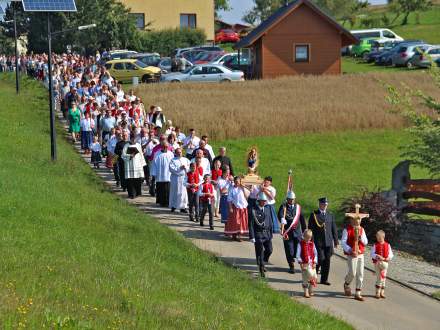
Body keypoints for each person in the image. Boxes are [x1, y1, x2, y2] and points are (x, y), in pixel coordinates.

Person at [308, 197, 338, 285]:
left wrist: (336, 240)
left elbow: (334, 228)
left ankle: (324, 279)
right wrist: (311, 240)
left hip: (328, 241)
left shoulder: (330, 215)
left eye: (326, 205)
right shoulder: (314, 214)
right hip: (318, 241)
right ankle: (313, 276)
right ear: (320, 205)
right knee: (320, 259)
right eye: (323, 204)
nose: (325, 206)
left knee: (327, 261)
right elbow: (310, 228)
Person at [342, 212, 368, 302]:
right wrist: (350, 250)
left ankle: (358, 292)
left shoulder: (362, 229)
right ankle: (346, 283)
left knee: (360, 273)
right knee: (352, 272)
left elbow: (365, 242)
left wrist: (361, 238)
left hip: (360, 254)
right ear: (351, 220)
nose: (358, 221)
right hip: (352, 254)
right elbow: (343, 242)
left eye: (359, 220)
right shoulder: (347, 230)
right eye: (356, 220)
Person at [278, 191, 306, 274]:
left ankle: (303, 265)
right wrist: (281, 219)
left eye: (293, 199)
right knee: (289, 250)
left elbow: (302, 219)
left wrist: (305, 231)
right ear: (287, 199)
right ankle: (291, 266)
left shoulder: (298, 208)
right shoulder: (283, 207)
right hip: (288, 232)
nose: (291, 201)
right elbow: (280, 215)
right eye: (290, 199)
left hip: (297, 233)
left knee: (299, 249)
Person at [249, 192, 274, 277]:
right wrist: (252, 236)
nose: (264, 202)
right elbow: (251, 224)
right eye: (262, 201)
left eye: (265, 201)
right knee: (259, 252)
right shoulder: (253, 210)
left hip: (267, 233)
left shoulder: (267, 209)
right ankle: (261, 268)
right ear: (258, 201)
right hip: (258, 234)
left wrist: (271, 233)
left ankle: (262, 261)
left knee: (269, 250)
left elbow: (270, 221)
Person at [225, 176, 250, 241]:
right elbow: (229, 199)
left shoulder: (242, 188)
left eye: (238, 182)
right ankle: (234, 235)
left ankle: (239, 235)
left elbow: (246, 196)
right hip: (235, 207)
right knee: (235, 222)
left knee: (241, 222)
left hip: (243, 207)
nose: (237, 183)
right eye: (236, 182)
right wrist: (230, 208)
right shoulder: (232, 189)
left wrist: (243, 187)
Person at [371, 230, 394, 299]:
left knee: (383, 277)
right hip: (377, 263)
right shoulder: (375, 245)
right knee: (379, 277)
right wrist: (377, 256)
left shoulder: (388, 245)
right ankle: (377, 292)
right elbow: (372, 254)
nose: (378, 239)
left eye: (379, 238)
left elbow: (391, 254)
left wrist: (388, 258)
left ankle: (382, 291)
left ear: (383, 237)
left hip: (385, 264)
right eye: (377, 238)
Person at [296, 229, 318, 298]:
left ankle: (310, 290)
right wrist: (301, 263)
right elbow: (298, 255)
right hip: (304, 264)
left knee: (314, 276)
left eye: (310, 237)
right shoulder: (300, 244)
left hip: (311, 263)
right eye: (307, 237)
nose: (309, 239)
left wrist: (314, 262)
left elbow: (315, 253)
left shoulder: (312, 244)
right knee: (305, 277)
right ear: (304, 236)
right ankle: (306, 292)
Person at [152, 142, 174, 207]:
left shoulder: (171, 154)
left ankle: (167, 202)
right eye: (164, 146)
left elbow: (173, 163)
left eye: (166, 147)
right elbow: (154, 164)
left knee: (168, 189)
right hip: (160, 174)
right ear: (161, 146)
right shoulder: (157, 154)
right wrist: (154, 173)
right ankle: (161, 202)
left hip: (168, 174)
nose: (165, 148)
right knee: (160, 189)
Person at [169, 148, 190, 213]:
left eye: (180, 152)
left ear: (182, 152)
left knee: (183, 193)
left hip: (183, 178)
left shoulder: (186, 159)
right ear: (175, 153)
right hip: (176, 178)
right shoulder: (172, 160)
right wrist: (180, 168)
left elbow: (189, 167)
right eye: (177, 152)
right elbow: (171, 169)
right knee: (175, 192)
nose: (179, 153)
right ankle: (173, 206)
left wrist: (185, 167)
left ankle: (183, 207)